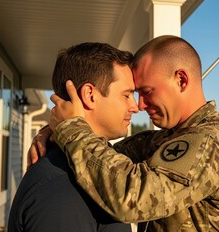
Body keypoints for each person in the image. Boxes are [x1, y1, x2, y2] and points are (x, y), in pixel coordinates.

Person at [32, 35, 219, 231]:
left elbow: (132, 198)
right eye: (133, 94)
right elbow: (101, 160)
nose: (140, 105)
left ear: (181, 80)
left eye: (146, 91)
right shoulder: (166, 139)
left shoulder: (215, 141)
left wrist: (70, 128)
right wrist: (55, 128)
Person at [8, 42, 137, 232]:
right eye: (127, 95)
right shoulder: (62, 189)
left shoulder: (95, 168)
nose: (135, 106)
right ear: (90, 95)